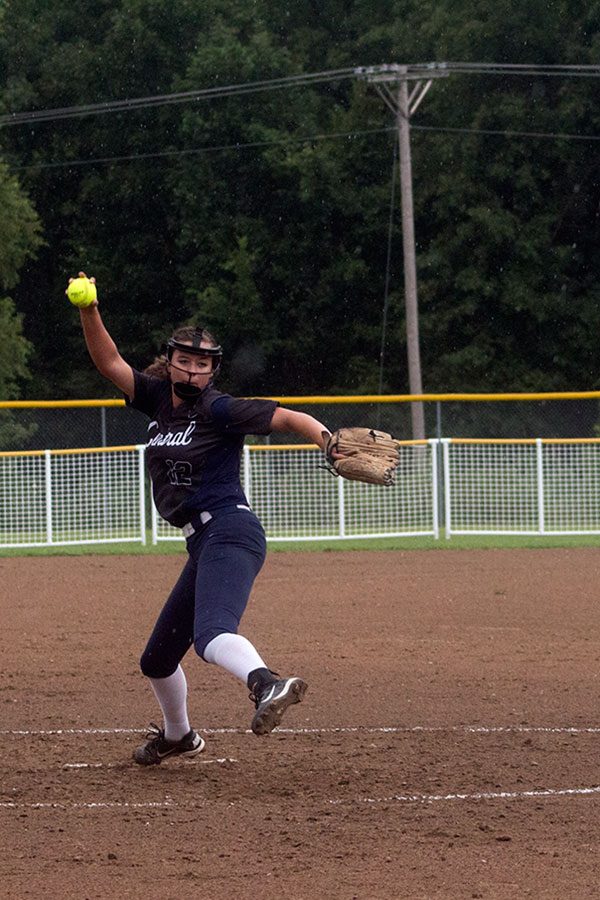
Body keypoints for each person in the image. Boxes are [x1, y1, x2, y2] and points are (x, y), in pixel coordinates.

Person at [69, 272, 333, 765]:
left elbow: (285, 417)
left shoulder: (220, 409)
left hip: (231, 531)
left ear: (213, 372)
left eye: (203, 364)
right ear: (169, 363)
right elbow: (109, 363)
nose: (192, 371)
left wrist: (328, 440)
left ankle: (265, 683)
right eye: (185, 361)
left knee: (212, 634)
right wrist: (90, 309)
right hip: (203, 540)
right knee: (157, 659)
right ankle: (179, 737)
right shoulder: (156, 400)